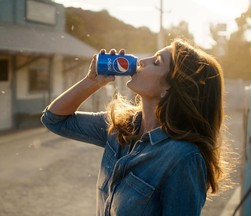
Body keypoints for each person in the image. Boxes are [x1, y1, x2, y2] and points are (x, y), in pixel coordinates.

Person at [41, 38, 225, 216]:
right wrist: (93, 81)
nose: (141, 61)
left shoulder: (182, 158)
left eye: (156, 62)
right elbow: (54, 120)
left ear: (169, 88)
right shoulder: (120, 125)